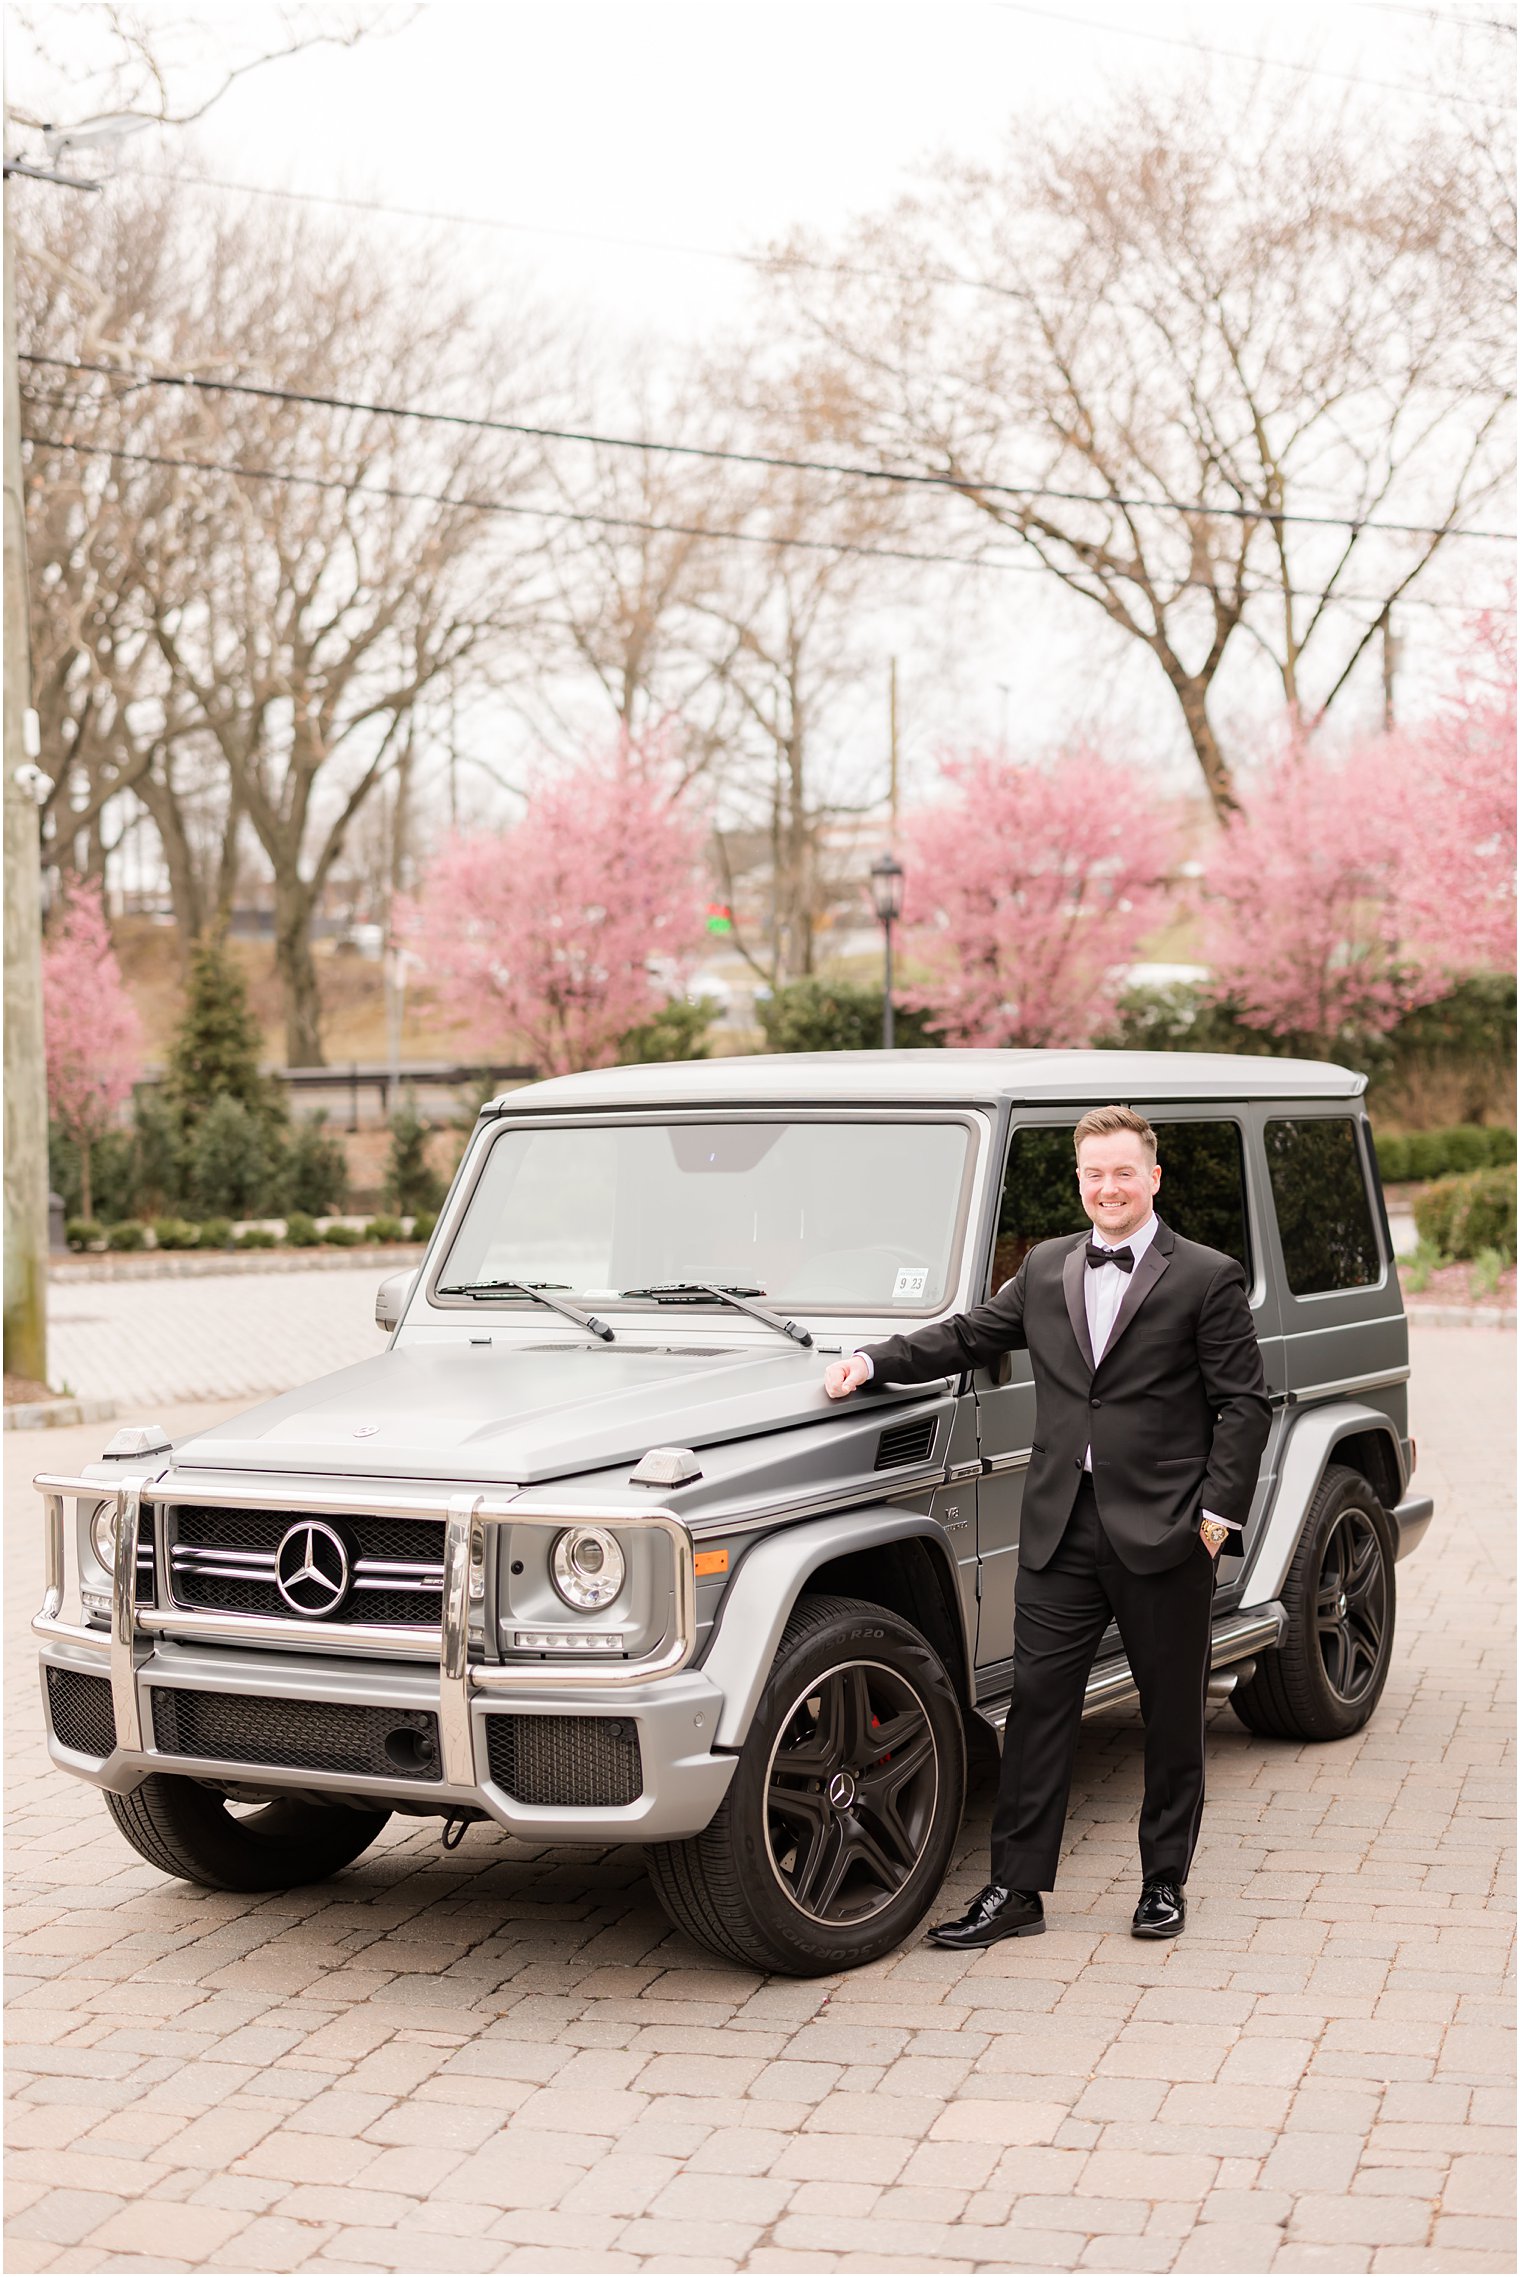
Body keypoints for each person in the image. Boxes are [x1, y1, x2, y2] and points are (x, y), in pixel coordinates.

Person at [823, 1105, 1271, 1947]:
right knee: (1035, 1712)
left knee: (1171, 1715)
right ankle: (1016, 1891)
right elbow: (966, 1337)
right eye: (1094, 1173)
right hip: (1060, 1530)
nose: (1109, 1187)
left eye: (1124, 1172)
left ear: (1153, 1178)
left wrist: (1213, 1523)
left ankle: (1163, 1881)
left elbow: (1243, 1406)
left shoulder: (1206, 1275)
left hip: (1166, 1535)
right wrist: (873, 1361)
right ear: (1079, 1180)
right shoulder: (1046, 1267)